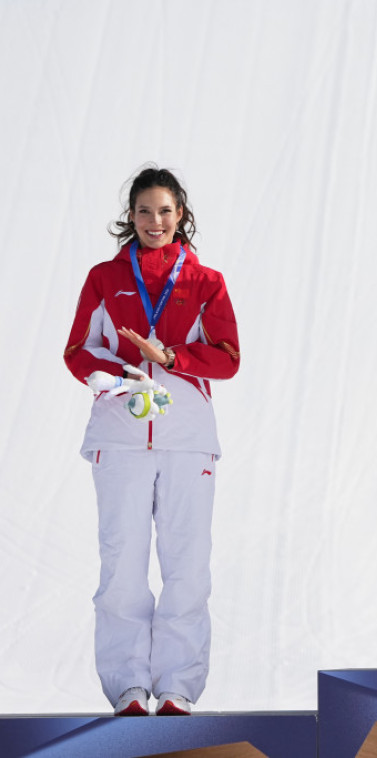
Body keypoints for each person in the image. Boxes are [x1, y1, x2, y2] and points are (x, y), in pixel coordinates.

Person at [63, 166, 241, 715]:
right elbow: (78, 350)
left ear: (180, 214)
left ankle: (178, 688)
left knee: (187, 563)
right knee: (122, 565)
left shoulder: (205, 281)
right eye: (144, 211)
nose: (155, 221)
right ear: (131, 217)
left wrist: (170, 358)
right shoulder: (104, 278)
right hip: (119, 437)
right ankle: (129, 689)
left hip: (187, 439)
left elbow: (229, 358)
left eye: (165, 211)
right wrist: (117, 375)